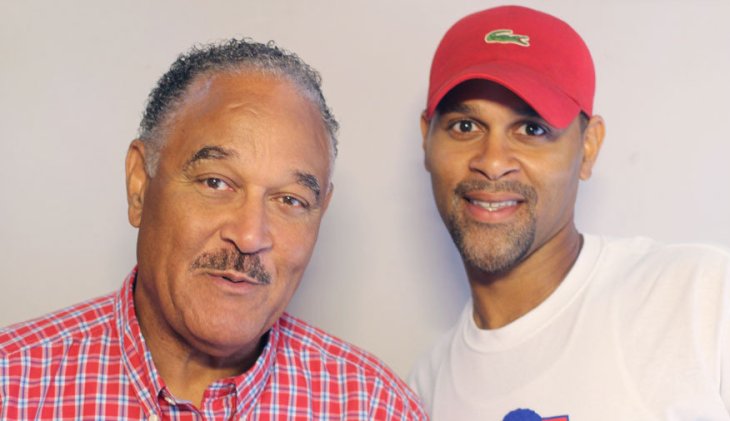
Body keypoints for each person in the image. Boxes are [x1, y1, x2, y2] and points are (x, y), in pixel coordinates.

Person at [0, 39, 427, 420]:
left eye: (290, 201)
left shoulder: (376, 407)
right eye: (216, 183)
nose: (250, 236)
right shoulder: (11, 387)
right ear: (139, 184)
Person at [409, 5, 730, 420]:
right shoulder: (423, 391)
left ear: (588, 148)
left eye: (532, 129)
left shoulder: (705, 300)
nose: (493, 162)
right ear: (427, 139)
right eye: (465, 126)